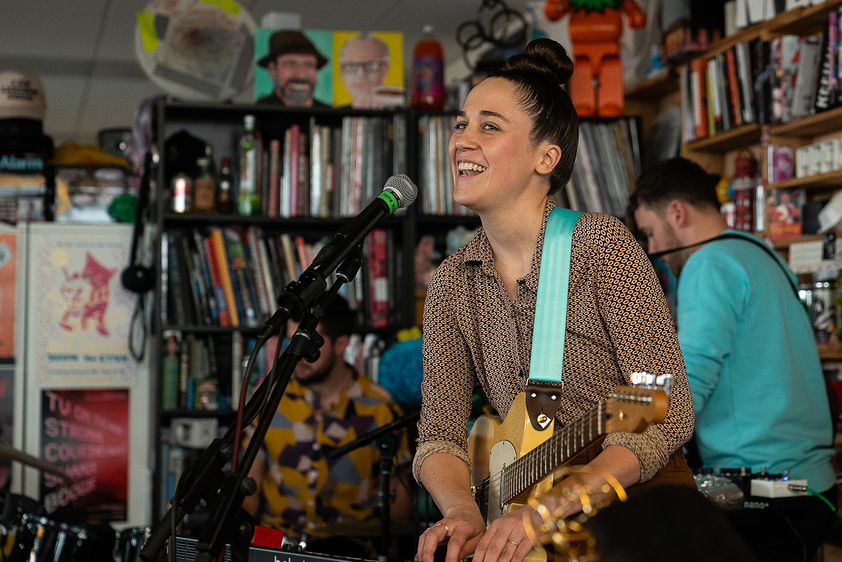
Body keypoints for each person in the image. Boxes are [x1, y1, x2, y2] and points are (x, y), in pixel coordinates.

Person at [414, 38, 695, 562]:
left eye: (489, 126)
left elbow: (665, 404)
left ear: (547, 157)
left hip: (637, 520)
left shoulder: (600, 246)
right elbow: (439, 436)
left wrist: (549, 507)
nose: (461, 140)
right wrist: (462, 511)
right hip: (530, 523)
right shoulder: (452, 282)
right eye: (460, 123)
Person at [630, 157, 837, 562]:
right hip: (808, 485)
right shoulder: (760, 252)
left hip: (767, 491)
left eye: (650, 234)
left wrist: (614, 418)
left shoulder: (708, 263)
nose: (652, 250)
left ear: (677, 212)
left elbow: (687, 385)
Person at [243, 294, 411, 557]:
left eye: (308, 344)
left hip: (348, 550)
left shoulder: (379, 408)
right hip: (275, 547)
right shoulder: (270, 400)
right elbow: (248, 485)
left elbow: (400, 504)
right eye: (292, 341)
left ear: (341, 344)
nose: (296, 354)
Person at [256, 30, 332, 109]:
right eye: (290, 64)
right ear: (272, 70)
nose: (300, 74)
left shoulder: (330, 117)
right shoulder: (258, 114)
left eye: (308, 65)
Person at [338, 34, 403, 109]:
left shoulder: (397, 111)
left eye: (370, 65)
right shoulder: (333, 117)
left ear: (385, 70)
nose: (361, 74)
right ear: (341, 71)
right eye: (351, 66)